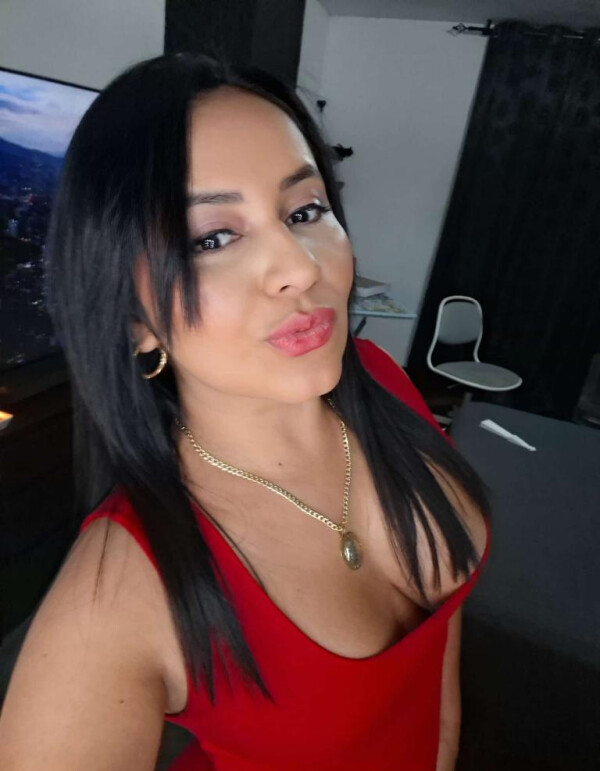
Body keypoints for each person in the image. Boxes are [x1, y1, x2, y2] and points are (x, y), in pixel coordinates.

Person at [0, 53, 491, 771]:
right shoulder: (115, 600)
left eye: (305, 211)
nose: (301, 266)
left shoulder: (383, 381)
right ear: (134, 320)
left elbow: (437, 659)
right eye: (213, 238)